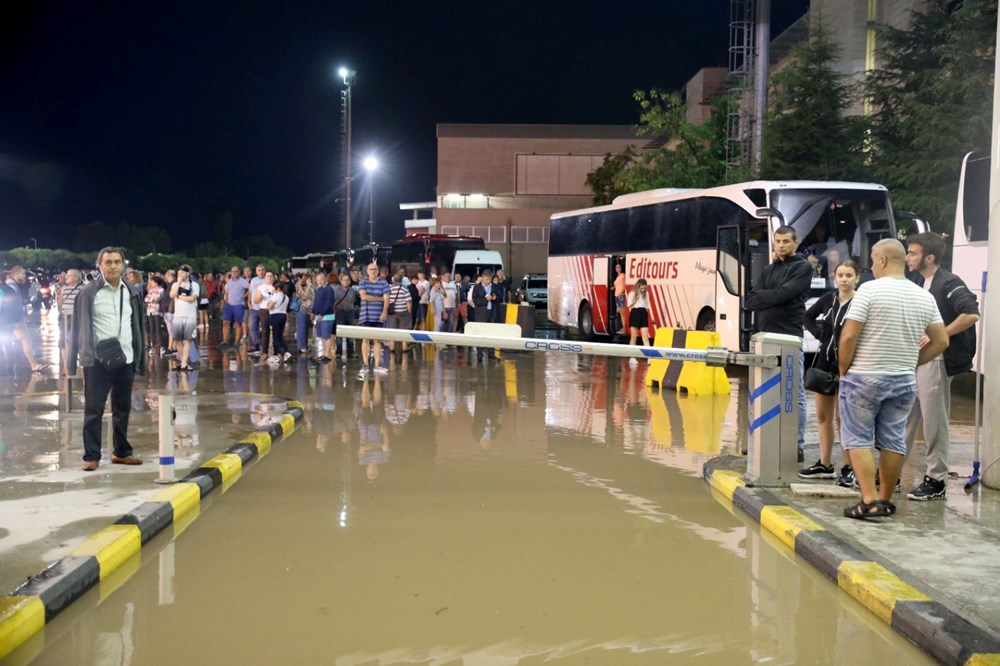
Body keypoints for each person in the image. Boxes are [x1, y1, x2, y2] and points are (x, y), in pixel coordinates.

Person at [838, 239, 948, 519]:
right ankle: (885, 500)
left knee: (858, 439)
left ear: (883, 260)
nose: (872, 266)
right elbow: (941, 341)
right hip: (903, 380)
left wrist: (843, 369)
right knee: (893, 439)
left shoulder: (869, 290)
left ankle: (869, 500)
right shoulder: (924, 296)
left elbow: (849, 336)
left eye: (873, 260)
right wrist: (913, 362)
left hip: (864, 376)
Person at [903, 232, 980, 501]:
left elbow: (971, 313)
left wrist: (940, 334)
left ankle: (936, 480)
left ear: (929, 257)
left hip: (938, 359)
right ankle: (890, 471)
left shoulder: (949, 282)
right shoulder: (919, 282)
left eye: (912, 253)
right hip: (918, 358)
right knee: (905, 418)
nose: (908, 257)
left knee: (934, 421)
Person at [69, 247, 147, 471]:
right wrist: (73, 360)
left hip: (126, 358)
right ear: (100, 265)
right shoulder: (88, 293)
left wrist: (140, 355)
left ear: (123, 265)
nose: (113, 266)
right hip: (97, 361)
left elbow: (137, 326)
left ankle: (121, 452)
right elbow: (77, 328)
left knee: (122, 408)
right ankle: (92, 456)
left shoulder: (132, 292)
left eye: (117, 262)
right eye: (108, 262)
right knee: (94, 409)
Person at [745, 225, 813, 461]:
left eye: (786, 241)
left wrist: (769, 296)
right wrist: (774, 297)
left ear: (795, 242)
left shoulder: (802, 267)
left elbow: (783, 294)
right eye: (778, 241)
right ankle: (762, 440)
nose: (781, 245)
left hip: (790, 337)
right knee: (763, 392)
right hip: (765, 337)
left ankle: (796, 444)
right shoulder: (770, 269)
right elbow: (750, 301)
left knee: (794, 393)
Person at [799, 260, 859, 481]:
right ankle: (825, 464)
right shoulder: (828, 299)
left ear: (857, 278)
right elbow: (806, 316)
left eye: (849, 275)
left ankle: (849, 467)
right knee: (823, 416)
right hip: (824, 364)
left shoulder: (860, 302)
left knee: (844, 419)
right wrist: (820, 336)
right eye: (840, 275)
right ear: (834, 278)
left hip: (849, 366)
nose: (844, 279)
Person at [1, 266, 49, 373]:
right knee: (24, 339)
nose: (24, 276)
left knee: (14, 342)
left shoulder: (10, 286)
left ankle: (11, 367)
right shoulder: (10, 286)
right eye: (22, 273)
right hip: (13, 319)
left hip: (10, 320)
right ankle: (32, 365)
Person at [357, 262, 390, 376]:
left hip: (378, 315)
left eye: (375, 269)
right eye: (371, 269)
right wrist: (379, 298)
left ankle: (377, 365)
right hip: (365, 315)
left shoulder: (383, 282)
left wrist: (384, 312)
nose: (373, 271)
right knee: (365, 339)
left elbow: (387, 299)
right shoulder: (363, 282)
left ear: (378, 271)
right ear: (367, 271)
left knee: (377, 340)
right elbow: (363, 296)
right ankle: (365, 364)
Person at [169, 265, 199, 372]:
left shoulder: (194, 285)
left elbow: (193, 298)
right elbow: (172, 295)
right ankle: (184, 361)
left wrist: (181, 297)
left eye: (183, 272)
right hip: (178, 315)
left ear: (188, 273)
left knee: (187, 339)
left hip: (190, 315)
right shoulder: (175, 285)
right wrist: (178, 282)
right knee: (177, 340)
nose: (181, 274)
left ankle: (184, 363)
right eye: (179, 272)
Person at [470, 269, 499, 363]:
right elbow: (475, 300)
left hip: (492, 313)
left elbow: (499, 296)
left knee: (492, 333)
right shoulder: (477, 287)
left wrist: (494, 297)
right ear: (482, 278)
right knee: (480, 334)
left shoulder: (494, 286)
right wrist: (486, 300)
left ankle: (491, 353)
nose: (488, 281)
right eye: (486, 279)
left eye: (490, 279)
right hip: (481, 314)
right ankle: (479, 355)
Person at [626, 278, 652, 367]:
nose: (643, 290)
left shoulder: (646, 294)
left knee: (645, 337)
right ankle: (632, 357)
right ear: (638, 286)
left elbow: (647, 305)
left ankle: (649, 357)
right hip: (635, 312)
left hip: (643, 313)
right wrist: (635, 300)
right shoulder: (632, 293)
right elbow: (629, 305)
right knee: (634, 337)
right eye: (641, 288)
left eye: (644, 288)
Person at [222, 266, 249, 346]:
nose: (234, 273)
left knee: (238, 323)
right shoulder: (229, 282)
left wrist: (245, 295)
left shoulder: (243, 281)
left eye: (236, 271)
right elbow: (227, 292)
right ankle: (225, 341)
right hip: (229, 304)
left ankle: (237, 341)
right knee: (225, 322)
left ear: (239, 272)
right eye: (233, 271)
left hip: (239, 304)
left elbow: (250, 289)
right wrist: (225, 302)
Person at [266, 281, 292, 363]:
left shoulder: (276, 296)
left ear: (277, 288)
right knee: (280, 335)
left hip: (275, 316)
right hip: (283, 315)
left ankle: (276, 355)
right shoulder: (286, 296)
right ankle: (287, 353)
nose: (273, 289)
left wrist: (268, 303)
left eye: (274, 288)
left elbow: (269, 307)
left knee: (276, 337)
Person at [333, 272, 357, 360]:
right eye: (344, 280)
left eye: (347, 280)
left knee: (350, 333)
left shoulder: (352, 291)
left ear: (350, 281)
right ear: (341, 281)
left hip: (350, 313)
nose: (346, 282)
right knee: (339, 333)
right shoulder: (336, 290)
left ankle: (351, 352)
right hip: (340, 313)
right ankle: (338, 352)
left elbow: (354, 301)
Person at [387, 271, 413, 354]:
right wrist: (409, 312)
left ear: (393, 280)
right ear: (402, 280)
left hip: (392, 312)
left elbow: (387, 299)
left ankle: (392, 347)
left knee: (392, 329)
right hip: (403, 311)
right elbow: (409, 301)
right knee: (404, 330)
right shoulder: (404, 288)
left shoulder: (389, 288)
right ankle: (404, 347)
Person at [312, 272, 335, 362]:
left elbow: (329, 303)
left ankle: (327, 354)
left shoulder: (328, 289)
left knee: (326, 336)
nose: (319, 281)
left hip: (327, 316)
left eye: (321, 279)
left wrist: (322, 313)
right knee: (322, 336)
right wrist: (313, 312)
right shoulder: (319, 289)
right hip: (318, 316)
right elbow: (316, 302)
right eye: (318, 280)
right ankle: (324, 354)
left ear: (325, 279)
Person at [247, 264, 267, 355]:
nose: (261, 272)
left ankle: (265, 346)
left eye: (262, 270)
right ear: (256, 271)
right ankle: (255, 345)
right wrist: (248, 302)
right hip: (253, 308)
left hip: (264, 308)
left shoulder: (267, 280)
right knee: (252, 327)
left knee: (264, 328)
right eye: (259, 270)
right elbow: (250, 292)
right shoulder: (253, 280)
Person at [295, 273, 315, 355]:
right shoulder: (299, 287)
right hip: (302, 309)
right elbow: (304, 297)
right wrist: (308, 287)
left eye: (310, 279)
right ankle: (301, 347)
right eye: (308, 279)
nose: (310, 281)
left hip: (309, 310)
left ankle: (305, 346)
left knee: (306, 328)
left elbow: (313, 298)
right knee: (302, 328)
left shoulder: (311, 288)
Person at [614, 263, 627, 335]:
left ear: (621, 268)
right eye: (616, 267)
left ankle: (624, 328)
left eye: (619, 267)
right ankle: (623, 327)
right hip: (616, 296)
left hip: (621, 296)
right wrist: (613, 287)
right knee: (620, 313)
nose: (617, 268)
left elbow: (624, 286)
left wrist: (620, 293)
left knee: (623, 313)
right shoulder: (617, 276)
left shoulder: (623, 275)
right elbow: (618, 285)